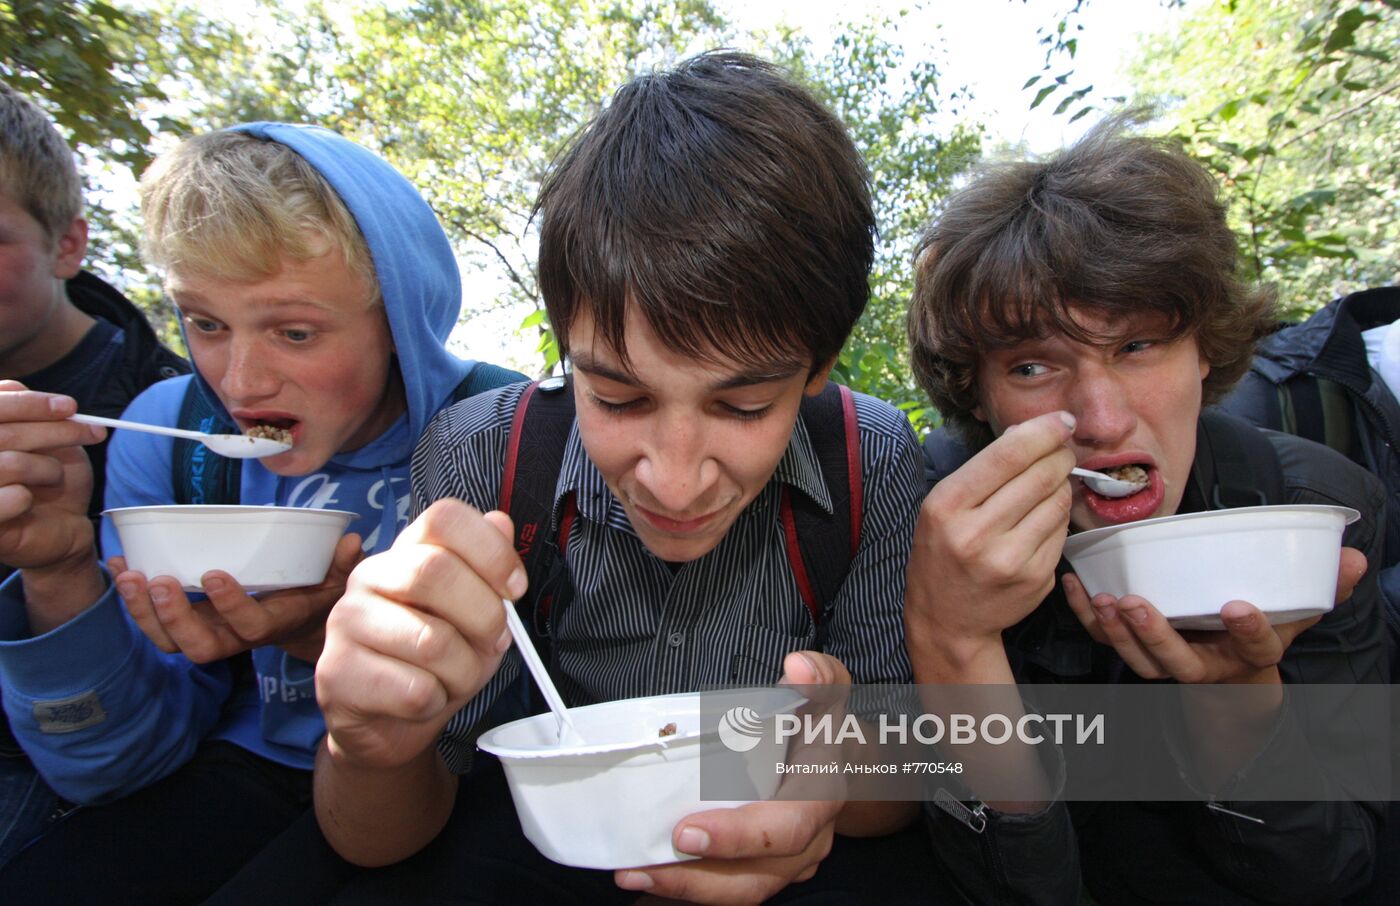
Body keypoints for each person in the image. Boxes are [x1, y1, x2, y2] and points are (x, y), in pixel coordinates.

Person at [310, 51, 933, 904]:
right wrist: (368, 742)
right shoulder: (482, 458)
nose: (675, 483)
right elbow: (379, 842)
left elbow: (895, 793)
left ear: (819, 367)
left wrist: (843, 773)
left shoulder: (875, 458)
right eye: (618, 396)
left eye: (744, 407)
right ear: (566, 347)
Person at [0, 121, 524, 900]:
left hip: (467, 794)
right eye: (205, 323)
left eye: (295, 331)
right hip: (244, 771)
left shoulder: (503, 434)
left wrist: (326, 639)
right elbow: (114, 769)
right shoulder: (172, 441)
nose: (240, 383)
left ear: (401, 318)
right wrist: (58, 568)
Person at [905, 116, 1389, 904]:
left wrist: (1239, 707)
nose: (1099, 419)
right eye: (1032, 366)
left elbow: (1340, 874)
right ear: (979, 394)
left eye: (1137, 347)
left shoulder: (1309, 509)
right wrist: (955, 646)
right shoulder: (931, 526)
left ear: (1204, 349)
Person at [0, 80, 189, 865]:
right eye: (209, 322)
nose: (249, 372)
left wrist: (57, 568)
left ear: (67, 246)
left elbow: (127, 752)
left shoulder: (182, 431)